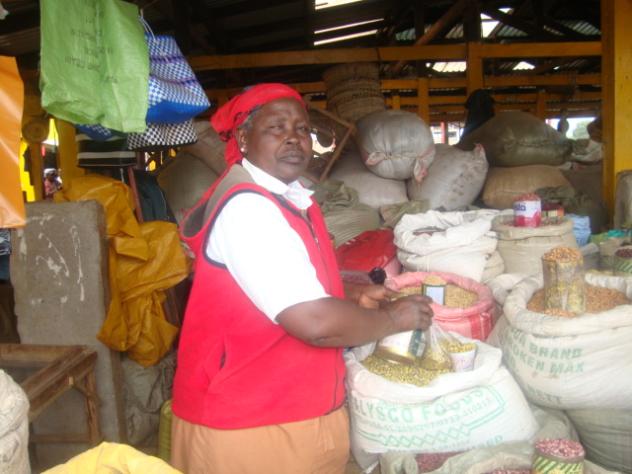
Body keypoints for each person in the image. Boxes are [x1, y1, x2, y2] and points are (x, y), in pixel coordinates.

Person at [171, 83, 434, 474]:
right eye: (276, 128)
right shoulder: (248, 209)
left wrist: (350, 294)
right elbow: (314, 322)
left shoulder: (290, 198)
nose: (293, 138)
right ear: (243, 139)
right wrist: (393, 319)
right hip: (250, 426)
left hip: (291, 411)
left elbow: (284, 279)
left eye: (301, 128)